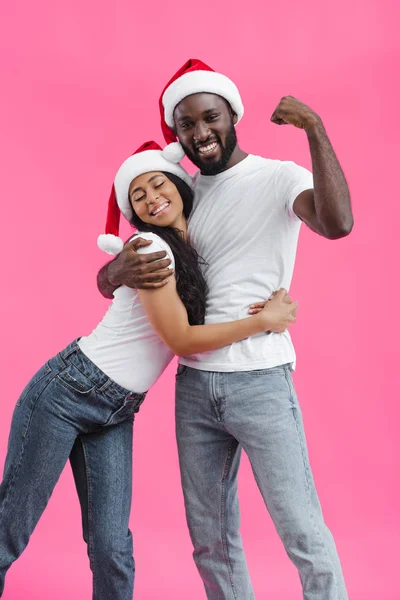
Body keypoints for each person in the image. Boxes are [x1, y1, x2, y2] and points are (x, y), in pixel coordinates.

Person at [97, 59, 354, 600]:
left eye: (210, 117)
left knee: (302, 532)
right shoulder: (182, 194)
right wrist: (111, 270)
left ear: (232, 113)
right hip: (194, 386)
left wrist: (315, 128)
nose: (200, 133)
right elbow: (139, 265)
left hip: (260, 379)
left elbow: (338, 224)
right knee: (211, 543)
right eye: (186, 125)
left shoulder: (279, 176)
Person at [0, 140, 297, 600]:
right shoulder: (150, 249)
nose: (151, 197)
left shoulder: (190, 247)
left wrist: (273, 298)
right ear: (133, 212)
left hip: (116, 408)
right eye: (137, 196)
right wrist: (262, 321)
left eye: (158, 183)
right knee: (10, 529)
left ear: (179, 184)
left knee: (113, 547)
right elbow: (180, 340)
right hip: (68, 392)